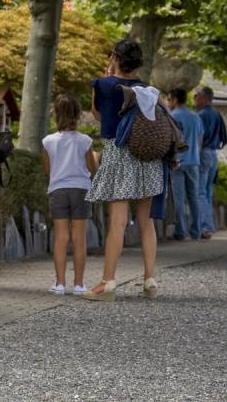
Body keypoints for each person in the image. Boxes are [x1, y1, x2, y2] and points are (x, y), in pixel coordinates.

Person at [83, 39, 163, 302]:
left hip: (119, 153)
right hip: (147, 156)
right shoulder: (148, 91)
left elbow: (97, 115)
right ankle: (150, 279)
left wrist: (108, 75)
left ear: (114, 57)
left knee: (117, 222)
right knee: (146, 221)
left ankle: (107, 283)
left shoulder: (102, 85)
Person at [42, 94, 97, 296]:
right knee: (79, 238)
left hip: (58, 190)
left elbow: (47, 168)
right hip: (81, 189)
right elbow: (92, 167)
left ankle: (59, 283)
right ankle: (79, 284)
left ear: (56, 114)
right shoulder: (85, 141)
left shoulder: (48, 141)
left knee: (61, 237)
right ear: (78, 115)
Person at [166, 89, 203, 241]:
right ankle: (196, 231)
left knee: (179, 198)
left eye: (169, 99)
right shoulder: (195, 117)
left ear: (174, 99)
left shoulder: (172, 116)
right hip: (193, 161)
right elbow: (200, 139)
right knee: (194, 197)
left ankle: (180, 231)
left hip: (178, 162)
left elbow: (170, 140)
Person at [193, 86, 223, 239]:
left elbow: (199, 138)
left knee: (200, 192)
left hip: (203, 152)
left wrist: (195, 155)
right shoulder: (217, 114)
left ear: (204, 98)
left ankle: (205, 228)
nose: (194, 98)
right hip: (213, 154)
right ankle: (208, 225)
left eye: (196, 95)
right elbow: (225, 138)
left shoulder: (200, 115)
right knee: (207, 192)